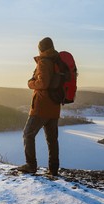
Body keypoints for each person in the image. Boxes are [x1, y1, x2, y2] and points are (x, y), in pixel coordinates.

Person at [18, 37, 61, 176]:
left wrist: (30, 83)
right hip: (54, 106)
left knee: (28, 134)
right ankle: (53, 169)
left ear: (41, 49)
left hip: (41, 106)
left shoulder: (43, 62)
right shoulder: (57, 61)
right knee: (52, 139)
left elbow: (43, 84)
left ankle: (31, 165)